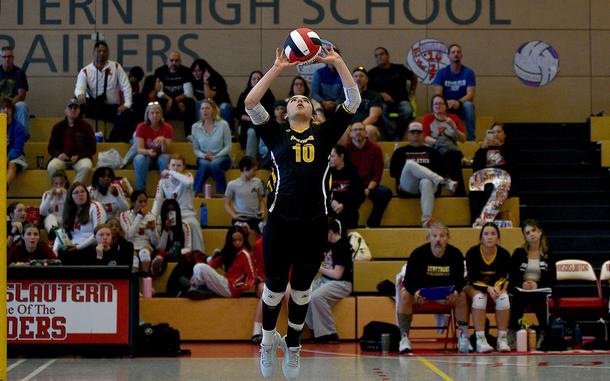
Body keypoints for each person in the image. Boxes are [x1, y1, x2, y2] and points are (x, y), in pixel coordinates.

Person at [244, 45, 360, 379]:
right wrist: (278, 67)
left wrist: (338, 61)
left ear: (312, 112)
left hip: (314, 223)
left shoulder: (324, 134)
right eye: (294, 100)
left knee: (302, 289)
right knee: (275, 288)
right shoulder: (275, 134)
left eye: (305, 101)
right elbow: (251, 103)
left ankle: (293, 347)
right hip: (280, 222)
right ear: (285, 111)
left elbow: (352, 102)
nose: (298, 101)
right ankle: (268, 341)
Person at [396, 223, 470, 353]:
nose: (438, 239)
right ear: (428, 238)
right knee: (404, 294)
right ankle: (404, 337)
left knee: (462, 296)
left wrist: (455, 291)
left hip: (445, 296)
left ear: (448, 238)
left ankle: (463, 336)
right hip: (422, 295)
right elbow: (408, 281)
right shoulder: (418, 254)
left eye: (442, 236)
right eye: (434, 236)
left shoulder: (455, 254)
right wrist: (415, 292)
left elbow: (460, 280)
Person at [390, 122, 458, 227]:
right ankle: (444, 182)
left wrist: (423, 175)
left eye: (418, 132)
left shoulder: (432, 152)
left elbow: (444, 169)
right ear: (408, 135)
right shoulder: (400, 151)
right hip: (408, 186)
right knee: (410, 164)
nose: (416, 135)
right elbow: (393, 173)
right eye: (413, 133)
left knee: (425, 181)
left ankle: (426, 220)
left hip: (428, 187)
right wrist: (415, 172)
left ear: (423, 135)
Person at [464, 222, 512, 353]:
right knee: (480, 298)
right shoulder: (472, 253)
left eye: (493, 234)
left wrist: (497, 288)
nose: (489, 237)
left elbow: (504, 276)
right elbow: (473, 278)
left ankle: (502, 339)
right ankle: (480, 340)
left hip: (494, 287)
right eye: (486, 234)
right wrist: (488, 289)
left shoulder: (504, 254)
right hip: (473, 286)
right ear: (481, 237)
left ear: (498, 237)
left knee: (503, 298)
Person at [304, 217, 353, 343]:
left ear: (330, 232)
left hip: (341, 283)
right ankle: (315, 330)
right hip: (325, 280)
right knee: (303, 293)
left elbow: (337, 274)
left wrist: (317, 268)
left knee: (316, 296)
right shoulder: (325, 244)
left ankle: (330, 333)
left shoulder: (344, 246)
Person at [509, 220, 555, 349]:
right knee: (517, 297)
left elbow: (552, 278)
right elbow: (512, 277)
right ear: (525, 237)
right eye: (527, 232)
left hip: (540, 289)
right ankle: (512, 332)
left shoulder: (548, 254)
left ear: (540, 232)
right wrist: (523, 284)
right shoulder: (519, 253)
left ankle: (544, 334)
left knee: (541, 298)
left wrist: (537, 284)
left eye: (534, 231)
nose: (531, 234)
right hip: (521, 289)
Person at [74, 40, 133, 141]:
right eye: (99, 51)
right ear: (93, 52)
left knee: (127, 115)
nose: (102, 53)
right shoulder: (85, 71)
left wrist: (127, 104)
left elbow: (126, 86)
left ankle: (112, 141)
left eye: (105, 51)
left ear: (108, 53)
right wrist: (80, 95)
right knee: (74, 110)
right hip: (94, 106)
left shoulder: (116, 66)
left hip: (112, 108)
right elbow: (79, 87)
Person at [151, 154, 205, 253]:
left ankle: (199, 254)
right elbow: (157, 200)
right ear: (168, 165)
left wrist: (170, 172)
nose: (176, 168)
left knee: (194, 225)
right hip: (171, 213)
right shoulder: (163, 181)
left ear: (184, 167)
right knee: (156, 225)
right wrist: (152, 216)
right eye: (173, 165)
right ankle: (160, 252)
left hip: (186, 213)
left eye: (179, 165)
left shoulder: (188, 176)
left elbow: (188, 183)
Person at [344, 122, 392, 228]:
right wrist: (356, 189)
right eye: (355, 130)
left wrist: (368, 189)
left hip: (369, 186)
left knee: (385, 193)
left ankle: (372, 224)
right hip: (352, 186)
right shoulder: (345, 150)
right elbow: (344, 172)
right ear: (350, 134)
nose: (358, 132)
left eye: (360, 129)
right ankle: (350, 226)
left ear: (366, 133)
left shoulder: (375, 149)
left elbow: (377, 174)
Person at [188, 226, 256, 299]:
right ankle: (198, 288)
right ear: (229, 240)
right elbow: (211, 266)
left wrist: (244, 286)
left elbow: (252, 278)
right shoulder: (228, 251)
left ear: (244, 240)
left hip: (232, 289)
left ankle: (196, 288)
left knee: (199, 267)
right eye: (234, 240)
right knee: (198, 267)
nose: (237, 243)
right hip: (225, 284)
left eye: (240, 240)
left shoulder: (246, 254)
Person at [368, 47, 418, 141]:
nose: (379, 57)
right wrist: (381, 94)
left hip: (401, 101)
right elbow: (368, 91)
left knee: (408, 110)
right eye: (376, 56)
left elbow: (414, 77)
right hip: (383, 103)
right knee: (380, 113)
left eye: (381, 54)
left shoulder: (399, 68)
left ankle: (397, 136)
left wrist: (412, 92)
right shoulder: (372, 73)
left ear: (387, 55)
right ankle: (392, 137)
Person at [469, 123, 515, 225]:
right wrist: (482, 149)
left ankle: (484, 220)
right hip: (486, 179)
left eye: (499, 132)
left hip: (504, 179)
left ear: (504, 135)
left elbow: (512, 168)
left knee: (495, 187)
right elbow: (476, 169)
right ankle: (475, 220)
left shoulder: (509, 148)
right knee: (475, 183)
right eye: (493, 132)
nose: (496, 135)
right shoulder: (485, 149)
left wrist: (500, 148)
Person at [422, 94, 466, 196]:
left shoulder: (453, 118)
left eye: (440, 103)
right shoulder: (428, 118)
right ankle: (457, 191)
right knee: (448, 156)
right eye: (435, 104)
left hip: (452, 151)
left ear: (446, 106)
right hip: (435, 149)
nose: (438, 106)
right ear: (432, 107)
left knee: (453, 156)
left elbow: (463, 139)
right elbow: (424, 137)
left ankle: (445, 187)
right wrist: (438, 143)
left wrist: (453, 127)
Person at [433, 44, 476, 141]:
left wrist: (458, 102)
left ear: (461, 55)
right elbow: (438, 93)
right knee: (437, 104)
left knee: (469, 105)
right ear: (448, 56)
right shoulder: (442, 72)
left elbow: (470, 94)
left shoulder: (468, 72)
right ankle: (438, 138)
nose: (456, 54)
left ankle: (471, 138)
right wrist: (446, 102)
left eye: (458, 52)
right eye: (453, 52)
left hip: (461, 105)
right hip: (446, 105)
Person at [47, 98, 96, 183]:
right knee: (52, 166)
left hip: (80, 158)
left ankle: (73, 190)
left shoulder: (86, 127)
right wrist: (58, 155)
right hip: (62, 158)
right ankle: (62, 189)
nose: (73, 110)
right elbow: (51, 148)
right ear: (65, 111)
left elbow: (92, 148)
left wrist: (79, 156)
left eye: (75, 108)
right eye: (70, 108)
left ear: (79, 110)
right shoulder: (58, 127)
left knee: (86, 167)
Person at [57, 182, 107, 263]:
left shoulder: (95, 206)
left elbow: (98, 234)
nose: (80, 194)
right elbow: (62, 233)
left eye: (83, 191)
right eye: (76, 192)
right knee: (60, 255)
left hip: (90, 247)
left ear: (87, 193)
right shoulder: (69, 210)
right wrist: (54, 249)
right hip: (73, 246)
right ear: (70, 196)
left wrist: (78, 247)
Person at [191, 99, 232, 195]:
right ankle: (196, 192)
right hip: (204, 157)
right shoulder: (195, 127)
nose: (204, 111)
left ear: (213, 110)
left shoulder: (223, 125)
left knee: (214, 164)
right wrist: (204, 155)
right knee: (205, 164)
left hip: (222, 157)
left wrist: (216, 155)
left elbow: (228, 146)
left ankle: (221, 192)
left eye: (207, 108)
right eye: (202, 108)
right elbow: (195, 149)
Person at [224, 156, 265, 247]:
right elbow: (226, 204)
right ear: (245, 169)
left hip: (256, 217)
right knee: (242, 232)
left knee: (267, 231)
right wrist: (234, 216)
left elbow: (261, 200)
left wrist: (262, 210)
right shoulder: (232, 185)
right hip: (241, 217)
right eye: (254, 170)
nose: (256, 173)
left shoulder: (258, 182)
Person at [154, 51, 196, 136]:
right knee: (157, 104)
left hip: (181, 101)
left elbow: (189, 93)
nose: (174, 63)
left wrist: (175, 100)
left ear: (180, 61)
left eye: (176, 61)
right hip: (166, 102)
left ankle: (189, 135)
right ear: (167, 61)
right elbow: (159, 92)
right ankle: (161, 134)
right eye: (171, 60)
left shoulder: (186, 71)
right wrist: (170, 100)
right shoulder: (160, 71)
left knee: (191, 103)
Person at [133, 102, 173, 191]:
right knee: (139, 159)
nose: (155, 115)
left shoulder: (167, 127)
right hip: (147, 155)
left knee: (165, 158)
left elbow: (166, 152)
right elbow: (139, 149)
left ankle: (165, 191)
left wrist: (163, 141)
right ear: (147, 115)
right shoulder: (141, 127)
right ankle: (141, 191)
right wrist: (148, 152)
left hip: (161, 156)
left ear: (161, 114)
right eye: (152, 113)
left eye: (157, 113)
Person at [236, 70, 275, 158]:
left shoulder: (269, 95)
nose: (257, 80)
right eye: (254, 79)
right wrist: (252, 118)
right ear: (250, 81)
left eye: (259, 78)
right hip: (247, 123)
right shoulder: (244, 95)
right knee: (251, 132)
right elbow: (239, 113)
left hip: (264, 123)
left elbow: (272, 113)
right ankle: (251, 160)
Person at [151, 198, 193, 277]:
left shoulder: (184, 225)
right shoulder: (159, 226)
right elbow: (160, 248)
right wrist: (166, 231)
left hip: (179, 254)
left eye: (173, 211)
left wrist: (175, 252)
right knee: (158, 254)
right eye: (168, 211)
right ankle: (156, 268)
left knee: (192, 255)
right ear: (164, 213)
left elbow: (188, 248)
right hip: (164, 255)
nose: (171, 214)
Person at [120, 190, 159, 275]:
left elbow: (156, 243)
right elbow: (128, 237)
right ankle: (134, 287)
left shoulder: (151, 216)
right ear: (133, 203)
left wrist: (153, 230)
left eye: (145, 201)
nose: (143, 204)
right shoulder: (124, 215)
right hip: (130, 245)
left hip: (145, 246)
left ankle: (147, 284)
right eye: (140, 202)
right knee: (134, 260)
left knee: (144, 254)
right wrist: (140, 216)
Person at [329, 145, 365, 230]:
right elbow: (321, 192)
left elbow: (360, 196)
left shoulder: (353, 173)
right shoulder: (327, 173)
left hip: (348, 212)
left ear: (341, 156)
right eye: (329, 156)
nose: (330, 159)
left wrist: (344, 205)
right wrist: (331, 201)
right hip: (330, 210)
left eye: (332, 156)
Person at [191, 58, 233, 125]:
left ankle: (228, 131)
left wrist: (205, 82)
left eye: (198, 71)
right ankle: (200, 129)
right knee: (198, 104)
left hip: (219, 104)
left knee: (225, 108)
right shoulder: (194, 79)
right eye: (194, 71)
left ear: (204, 70)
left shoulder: (215, 78)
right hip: (207, 105)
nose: (196, 73)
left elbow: (209, 98)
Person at [0, 46, 29, 136]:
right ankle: (2, 144)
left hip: (14, 104)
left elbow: (21, 95)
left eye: (9, 57)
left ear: (13, 58)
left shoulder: (20, 73)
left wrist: (9, 106)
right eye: (4, 57)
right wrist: (3, 106)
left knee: (22, 106)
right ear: (1, 58)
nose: (7, 59)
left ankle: (22, 137)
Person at [350, 66, 385, 142]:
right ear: (352, 79)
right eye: (355, 76)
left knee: (370, 130)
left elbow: (373, 117)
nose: (358, 78)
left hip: (367, 125)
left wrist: (359, 128)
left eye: (361, 76)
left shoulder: (374, 95)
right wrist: (352, 128)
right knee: (340, 131)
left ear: (367, 79)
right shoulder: (346, 95)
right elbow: (340, 113)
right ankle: (341, 153)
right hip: (349, 126)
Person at [3, 96, 28, 186]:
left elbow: (18, 148)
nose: (5, 110)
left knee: (12, 165)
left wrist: (7, 157)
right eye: (3, 108)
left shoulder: (19, 127)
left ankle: (4, 186)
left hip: (15, 157)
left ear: (12, 110)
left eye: (8, 108)